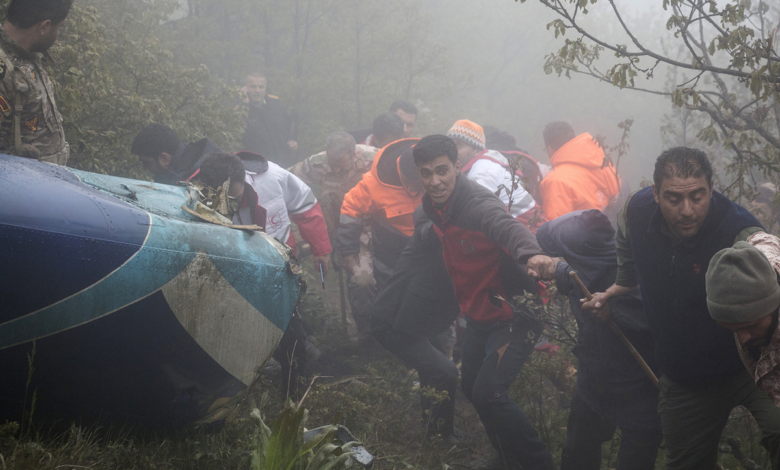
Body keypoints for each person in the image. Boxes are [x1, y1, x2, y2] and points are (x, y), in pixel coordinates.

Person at [583, 147, 780, 469]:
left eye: (698, 197)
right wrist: (624, 280)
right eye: (674, 198)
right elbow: (625, 236)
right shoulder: (636, 210)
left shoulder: (737, 229)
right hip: (684, 375)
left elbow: (766, 250)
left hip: (752, 364)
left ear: (712, 189)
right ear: (655, 193)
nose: (687, 210)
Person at [411, 134, 557, 470]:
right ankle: (506, 458)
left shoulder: (476, 204)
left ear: (457, 167)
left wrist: (532, 254)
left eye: (442, 171)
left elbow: (507, 227)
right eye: (427, 173)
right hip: (479, 313)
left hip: (516, 314)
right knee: (473, 387)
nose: (435, 181)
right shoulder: (433, 205)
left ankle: (539, 463)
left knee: (490, 393)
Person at [195, 152, 332, 392]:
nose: (228, 200)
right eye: (221, 196)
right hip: (238, 273)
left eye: (232, 194)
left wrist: (321, 248)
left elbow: (306, 205)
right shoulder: (199, 189)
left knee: (290, 329)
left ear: (242, 180)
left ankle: (295, 389)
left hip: (281, 265)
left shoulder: (273, 178)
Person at [537, 209, 661, 470]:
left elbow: (653, 319)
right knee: (577, 454)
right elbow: (571, 274)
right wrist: (547, 266)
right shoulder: (580, 272)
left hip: (640, 393)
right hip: (593, 385)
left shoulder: (636, 276)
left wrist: (612, 311)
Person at [370, 205, 461, 445]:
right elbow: (426, 229)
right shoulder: (427, 238)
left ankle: (436, 429)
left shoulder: (460, 245)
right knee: (445, 371)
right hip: (393, 321)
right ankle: (441, 438)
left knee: (434, 370)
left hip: (420, 320)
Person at [289, 132, 377, 338]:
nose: (336, 169)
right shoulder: (317, 163)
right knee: (361, 280)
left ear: (354, 153)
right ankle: (366, 332)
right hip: (346, 231)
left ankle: (390, 328)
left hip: (380, 227)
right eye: (332, 163)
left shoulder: (374, 158)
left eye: (342, 164)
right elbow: (286, 179)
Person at [338, 138, 422, 293]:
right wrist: (348, 248)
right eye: (407, 182)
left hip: (425, 249)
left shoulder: (438, 174)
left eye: (416, 184)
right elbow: (351, 207)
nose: (410, 188)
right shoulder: (377, 181)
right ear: (399, 170)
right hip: (386, 247)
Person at [707, 233, 780, 406]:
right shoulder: (762, 264)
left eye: (751, 326)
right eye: (734, 329)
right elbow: (760, 239)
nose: (742, 338)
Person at [0, 0, 73, 165]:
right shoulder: (3, 70)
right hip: (18, 185)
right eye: (59, 27)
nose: (58, 33)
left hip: (45, 181)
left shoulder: (28, 54)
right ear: (44, 27)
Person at [447, 119, 544, 231]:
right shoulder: (482, 164)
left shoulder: (482, 170)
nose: (453, 151)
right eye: (451, 145)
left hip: (532, 234)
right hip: (524, 229)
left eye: (459, 145)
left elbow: (476, 214)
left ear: (477, 150)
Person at [539, 121, 621, 221]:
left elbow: (556, 230)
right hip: (617, 231)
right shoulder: (601, 161)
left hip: (591, 235)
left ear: (550, 150)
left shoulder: (556, 181)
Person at [131, 123, 223, 185]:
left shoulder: (195, 184)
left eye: (146, 162)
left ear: (165, 159)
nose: (144, 168)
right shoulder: (187, 156)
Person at [241, 72, 298, 168]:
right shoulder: (240, 109)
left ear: (265, 88)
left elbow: (286, 124)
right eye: (253, 87)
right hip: (257, 165)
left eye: (261, 87)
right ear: (245, 89)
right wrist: (244, 104)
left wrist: (291, 139)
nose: (257, 90)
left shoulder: (275, 104)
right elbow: (240, 131)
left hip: (282, 162)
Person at [350, 100, 417, 143]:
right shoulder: (354, 139)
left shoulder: (414, 153)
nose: (404, 129)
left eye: (409, 125)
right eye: (401, 122)